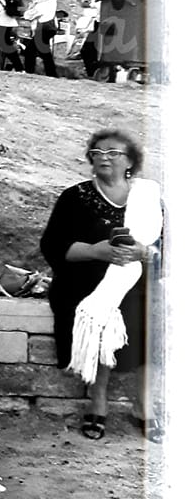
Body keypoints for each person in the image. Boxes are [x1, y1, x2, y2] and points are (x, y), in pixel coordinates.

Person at [41, 130, 161, 439]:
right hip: (83, 281)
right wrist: (97, 251)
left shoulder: (149, 199)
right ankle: (98, 402)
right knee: (102, 313)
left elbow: (170, 250)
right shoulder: (75, 197)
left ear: (130, 161)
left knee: (151, 316)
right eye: (97, 152)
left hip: (137, 280)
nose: (103, 157)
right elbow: (53, 246)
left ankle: (143, 406)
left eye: (112, 153)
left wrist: (144, 252)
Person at [22, 0, 62, 77]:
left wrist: (26, 15)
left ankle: (29, 71)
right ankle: (51, 73)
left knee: (31, 50)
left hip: (43, 26)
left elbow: (38, 10)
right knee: (44, 52)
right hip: (46, 27)